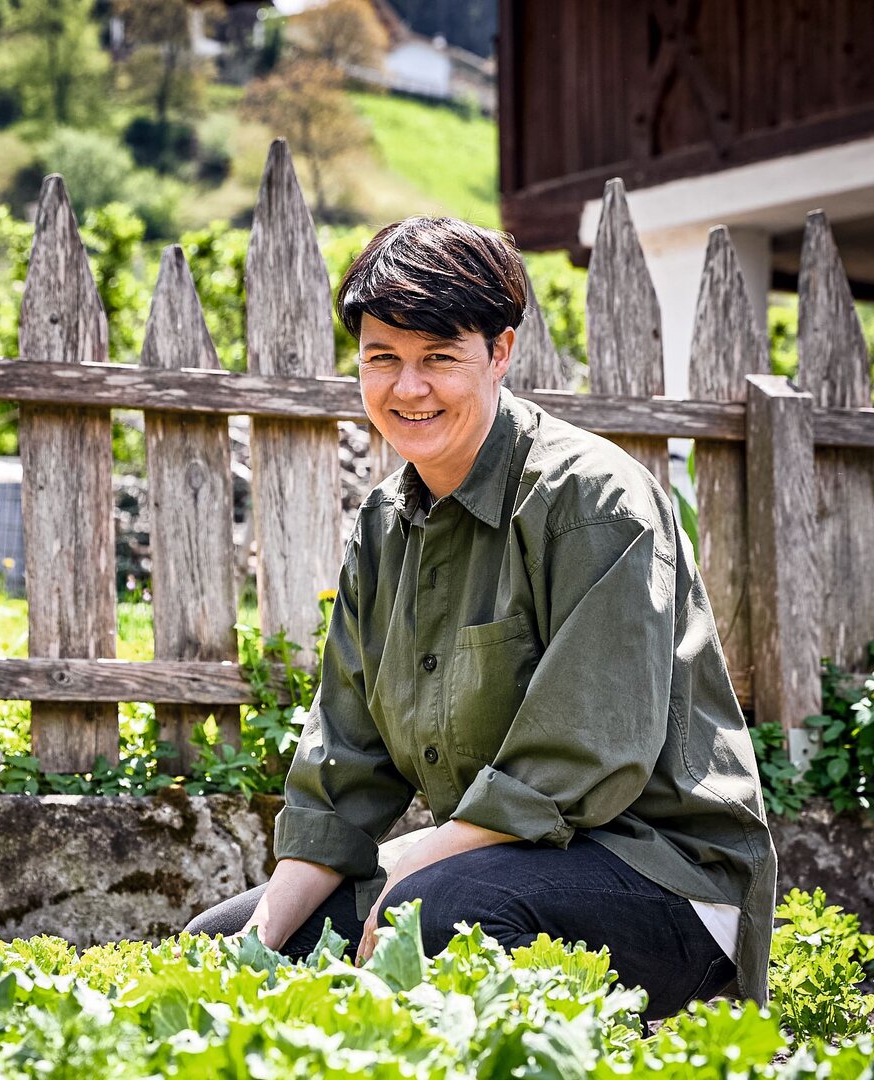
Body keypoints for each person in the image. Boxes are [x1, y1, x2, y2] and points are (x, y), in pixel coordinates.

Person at [185, 217, 776, 1019]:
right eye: (382, 358)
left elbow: (587, 755)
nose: (408, 387)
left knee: (436, 914)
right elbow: (344, 771)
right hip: (492, 863)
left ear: (499, 353)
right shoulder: (383, 526)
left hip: (665, 880)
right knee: (225, 946)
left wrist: (413, 873)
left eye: (439, 358)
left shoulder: (593, 502)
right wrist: (257, 937)